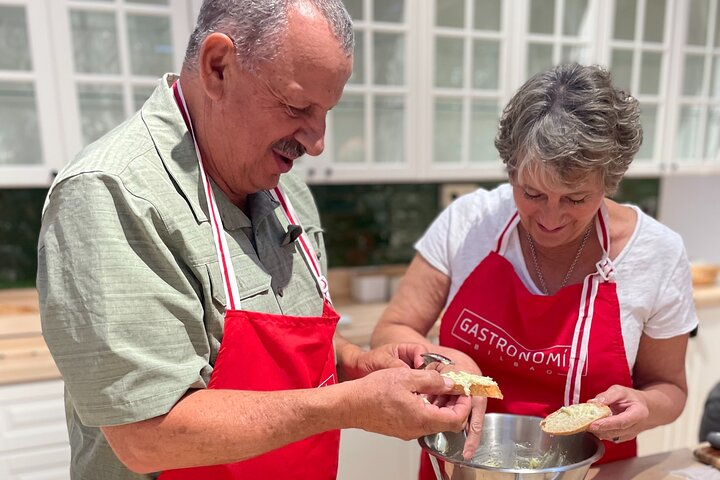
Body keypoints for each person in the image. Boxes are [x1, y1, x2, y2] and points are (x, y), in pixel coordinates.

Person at [37, 1, 471, 479]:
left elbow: (295, 342)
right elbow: (148, 435)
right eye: (297, 107)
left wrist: (356, 363)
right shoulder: (113, 194)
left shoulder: (288, 194)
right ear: (218, 67)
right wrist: (346, 406)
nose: (317, 141)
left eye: (326, 111)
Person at [371, 63, 698, 477]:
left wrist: (646, 407)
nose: (550, 217)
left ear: (609, 180)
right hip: (464, 468)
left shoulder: (657, 253)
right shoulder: (469, 223)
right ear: (511, 170)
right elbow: (391, 330)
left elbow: (670, 388)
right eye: (533, 192)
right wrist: (439, 361)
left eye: (576, 198)